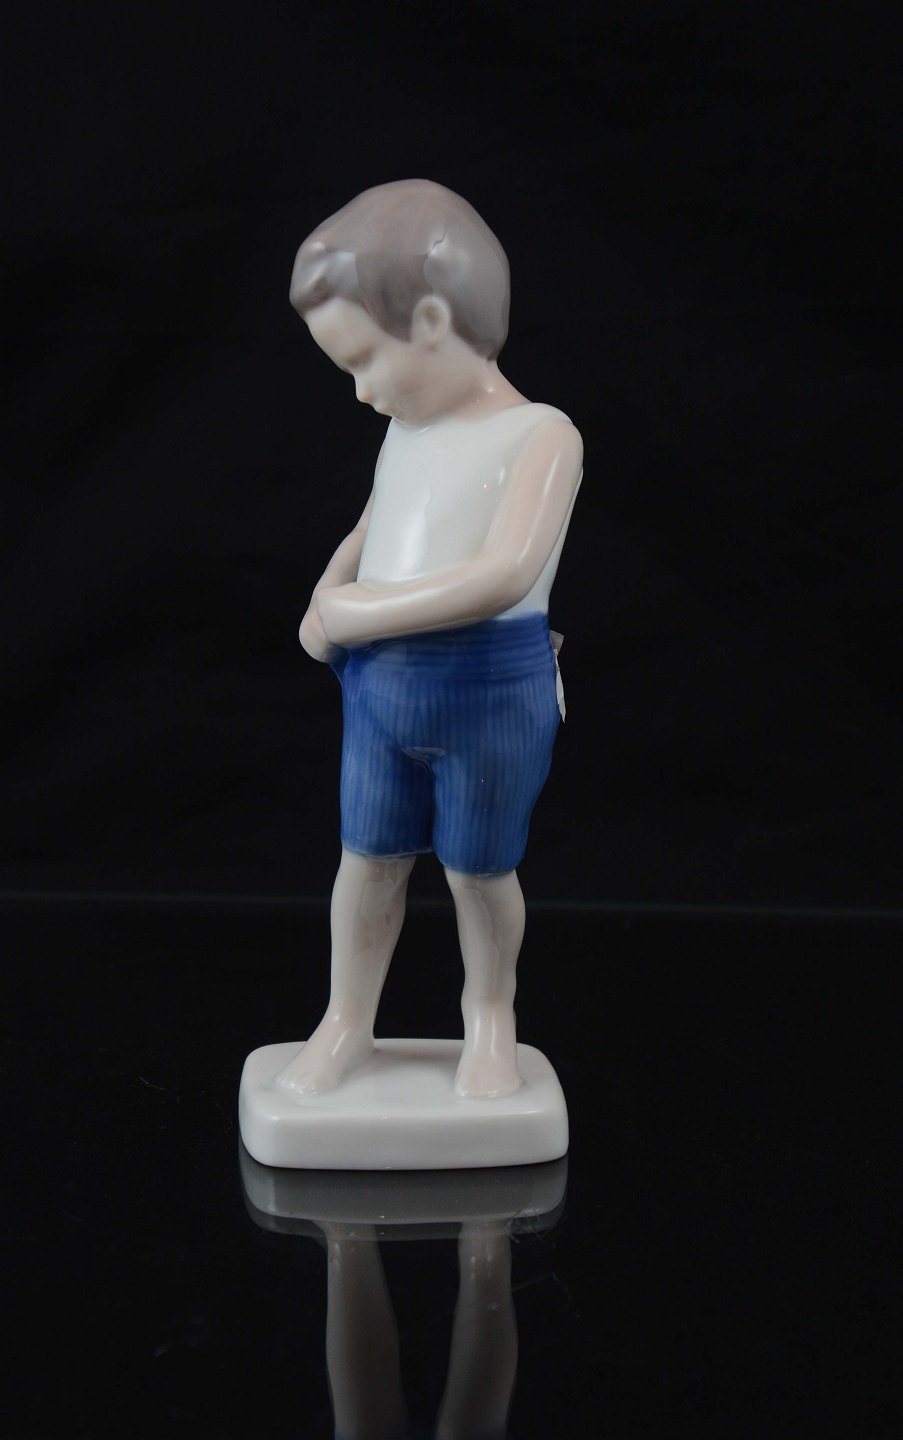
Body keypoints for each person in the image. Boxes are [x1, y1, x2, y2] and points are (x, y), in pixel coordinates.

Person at [278, 179, 583, 1100]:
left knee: (479, 873)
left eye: (364, 360)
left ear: (434, 320)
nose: (361, 391)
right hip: (380, 690)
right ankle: (346, 1019)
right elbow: (365, 531)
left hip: (488, 694)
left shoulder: (541, 436)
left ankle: (489, 1017)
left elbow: (504, 574)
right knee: (365, 862)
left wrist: (354, 614)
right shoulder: (404, 435)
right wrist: (324, 599)